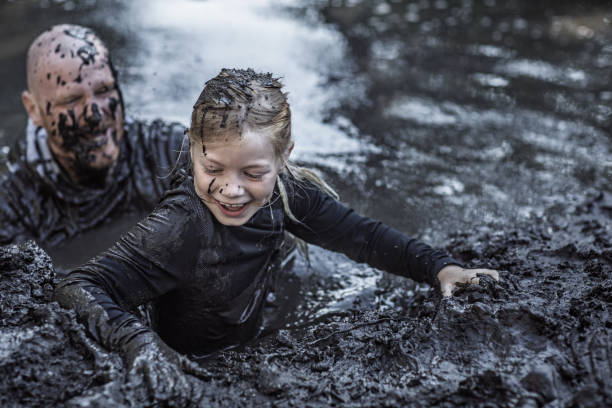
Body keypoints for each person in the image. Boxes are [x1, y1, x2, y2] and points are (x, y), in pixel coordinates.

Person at [55, 68, 498, 387]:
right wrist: (143, 345)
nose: (230, 190)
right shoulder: (180, 225)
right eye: (213, 168)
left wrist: (440, 268)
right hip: (198, 354)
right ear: (192, 151)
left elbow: (361, 236)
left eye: (252, 172)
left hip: (248, 325)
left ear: (284, 156)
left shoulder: (287, 192)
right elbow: (79, 285)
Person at [0, 24, 185, 246]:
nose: (95, 115)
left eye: (104, 90)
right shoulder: (12, 205)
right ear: (33, 110)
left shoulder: (166, 153)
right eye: (71, 99)